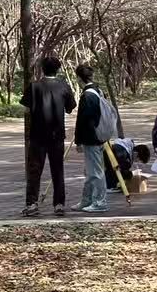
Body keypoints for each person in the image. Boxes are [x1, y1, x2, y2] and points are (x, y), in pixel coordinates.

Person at [21, 56, 76, 217]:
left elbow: (26, 109)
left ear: (42, 69)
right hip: (57, 136)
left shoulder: (34, 86)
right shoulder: (64, 86)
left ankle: (31, 204)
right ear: (57, 69)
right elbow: (70, 108)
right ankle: (59, 204)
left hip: (37, 136)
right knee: (57, 170)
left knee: (34, 170)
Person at [74, 65, 122, 213]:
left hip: (91, 139)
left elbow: (83, 120)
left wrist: (78, 140)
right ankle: (87, 200)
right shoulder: (98, 91)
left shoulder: (87, 95)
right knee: (90, 172)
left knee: (95, 172)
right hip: (100, 136)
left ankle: (100, 202)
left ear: (78, 78)